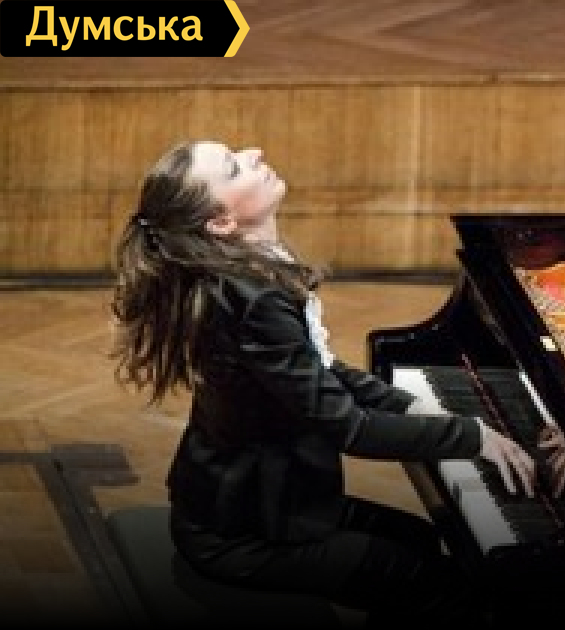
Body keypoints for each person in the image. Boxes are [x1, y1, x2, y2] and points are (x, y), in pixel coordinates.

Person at [109, 140, 541, 626]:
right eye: (233, 167)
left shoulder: (246, 276)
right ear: (221, 222)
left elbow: (323, 373)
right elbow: (348, 428)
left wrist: (413, 406)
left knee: (421, 540)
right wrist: (470, 436)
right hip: (243, 536)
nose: (254, 153)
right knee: (437, 587)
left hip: (272, 503)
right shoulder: (254, 302)